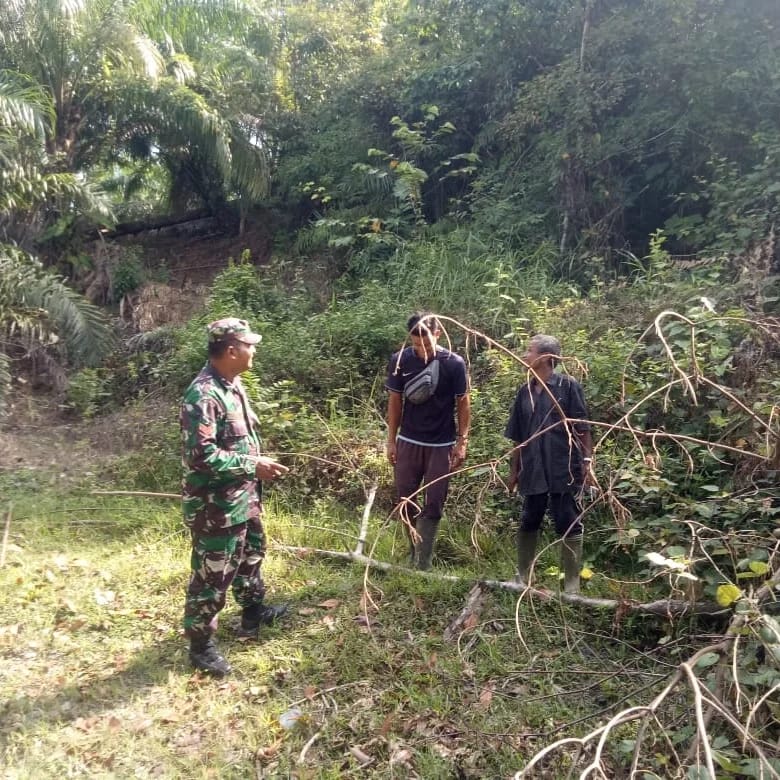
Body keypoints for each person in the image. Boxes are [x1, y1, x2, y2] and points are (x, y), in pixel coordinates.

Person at [180, 317, 289, 677]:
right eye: (249, 344)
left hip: (244, 497)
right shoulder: (203, 395)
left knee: (251, 556)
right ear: (231, 350)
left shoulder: (233, 385)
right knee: (213, 574)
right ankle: (201, 646)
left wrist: (253, 469)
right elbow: (201, 455)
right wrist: (251, 465)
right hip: (216, 507)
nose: (253, 350)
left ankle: (253, 613)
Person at [504, 334, 593, 593]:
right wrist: (514, 470)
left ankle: (572, 583)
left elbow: (582, 427)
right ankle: (522, 576)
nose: (525, 356)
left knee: (567, 519)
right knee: (529, 518)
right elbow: (519, 436)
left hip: (563, 466)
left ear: (544, 357)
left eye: (529, 351)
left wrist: (587, 461)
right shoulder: (525, 391)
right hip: (533, 468)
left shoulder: (567, 386)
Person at [386, 313, 471, 570]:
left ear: (438, 335)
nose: (422, 351)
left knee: (434, 501)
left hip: (441, 443)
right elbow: (394, 402)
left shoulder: (453, 363)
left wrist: (462, 441)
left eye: (427, 344)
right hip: (408, 440)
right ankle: (412, 549)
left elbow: (463, 402)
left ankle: (424, 558)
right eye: (416, 345)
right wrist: (391, 441)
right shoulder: (400, 361)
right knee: (405, 498)